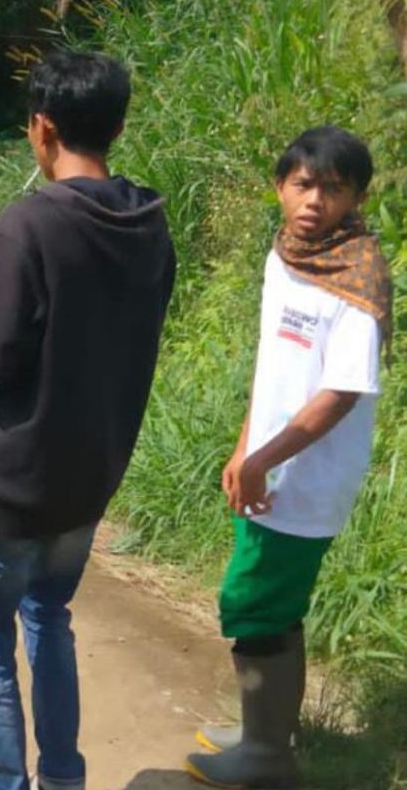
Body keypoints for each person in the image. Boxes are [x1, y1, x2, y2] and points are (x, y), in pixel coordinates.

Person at [0, 51, 175, 790]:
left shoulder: (32, 224)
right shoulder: (148, 223)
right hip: (89, 479)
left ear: (42, 128)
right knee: (50, 617)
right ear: (116, 124)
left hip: (14, 485)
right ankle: (65, 778)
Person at [184, 127, 389, 789]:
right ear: (280, 186)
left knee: (255, 600)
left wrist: (263, 459)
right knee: (275, 602)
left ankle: (267, 758)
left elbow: (340, 396)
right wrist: (247, 446)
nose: (314, 201)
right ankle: (268, 730)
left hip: (307, 475)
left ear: (357, 196)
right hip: (267, 464)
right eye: (303, 184)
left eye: (333, 188)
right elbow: (275, 364)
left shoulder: (358, 276)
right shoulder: (288, 254)